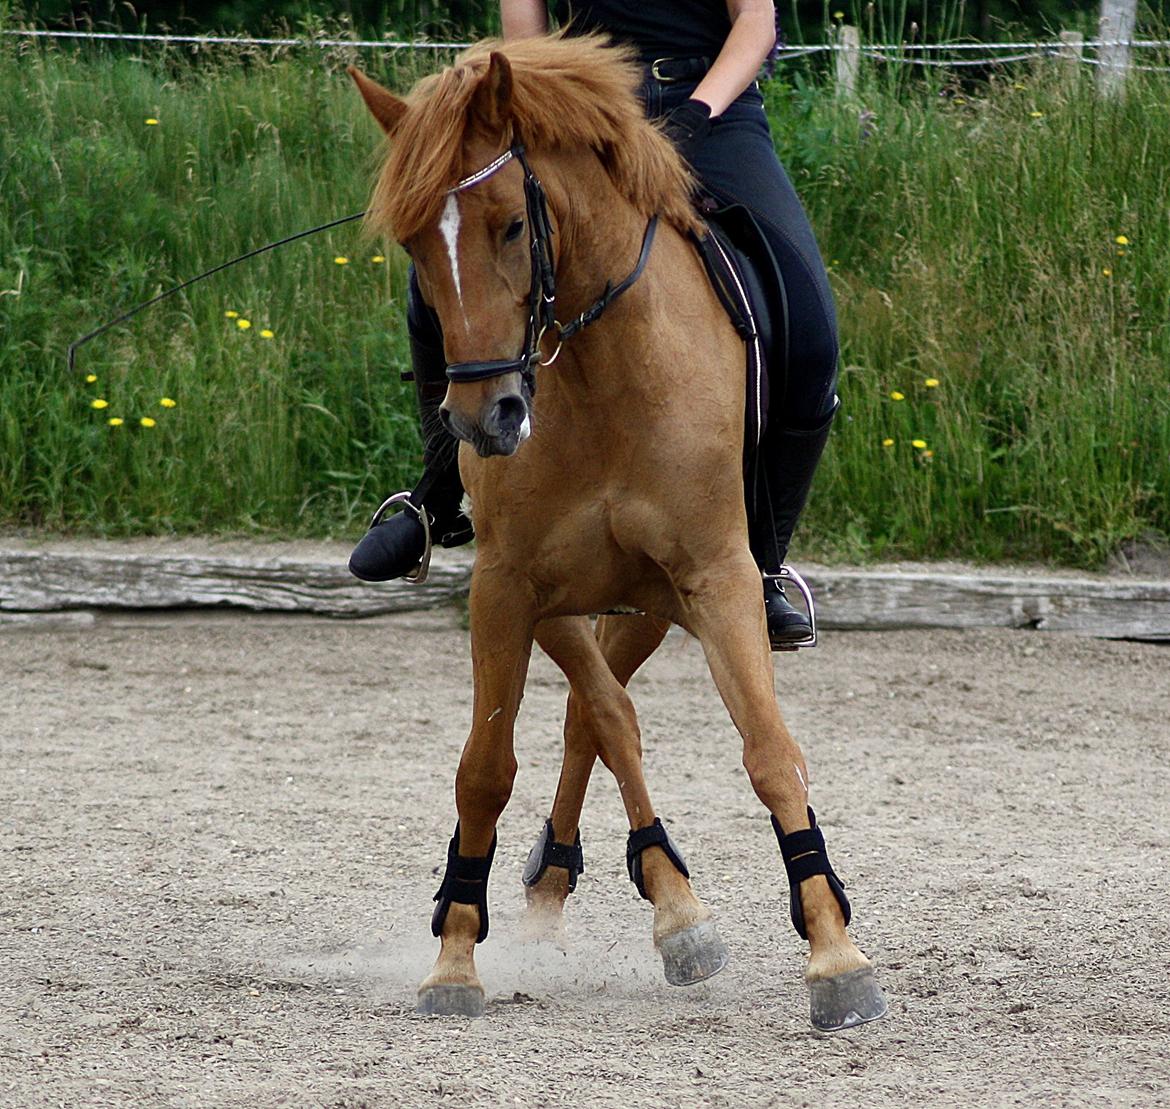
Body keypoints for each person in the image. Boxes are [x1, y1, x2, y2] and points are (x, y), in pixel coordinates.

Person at [349, 0, 839, 649]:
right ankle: (435, 496)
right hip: (581, 118)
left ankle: (765, 561)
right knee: (438, 274)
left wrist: (695, 113)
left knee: (809, 322)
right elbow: (523, 51)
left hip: (714, 114)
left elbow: (756, 23)